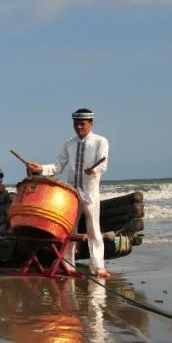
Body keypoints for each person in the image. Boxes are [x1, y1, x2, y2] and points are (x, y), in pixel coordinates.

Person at [27, 108, 111, 279]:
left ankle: (98, 267)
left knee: (94, 229)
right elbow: (57, 166)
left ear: (91, 124)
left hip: (90, 192)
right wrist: (41, 168)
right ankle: (67, 264)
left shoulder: (100, 141)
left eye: (83, 123)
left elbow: (102, 165)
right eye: (76, 123)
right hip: (71, 193)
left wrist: (93, 171)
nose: (79, 127)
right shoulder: (69, 144)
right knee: (68, 229)